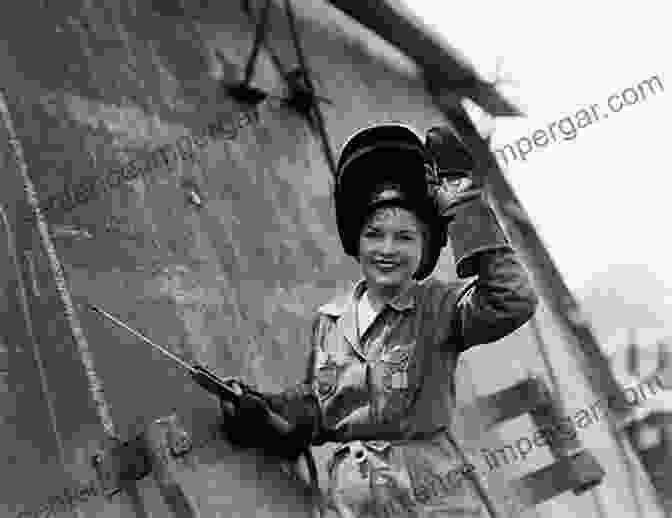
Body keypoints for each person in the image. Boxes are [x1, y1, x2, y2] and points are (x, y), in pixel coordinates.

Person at [193, 123, 538, 517]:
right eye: (375, 234)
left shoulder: (441, 307)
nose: (387, 250)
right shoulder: (333, 321)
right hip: (356, 500)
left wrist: (464, 201)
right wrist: (268, 413)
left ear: (424, 249)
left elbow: (512, 299)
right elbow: (323, 409)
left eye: (405, 237)